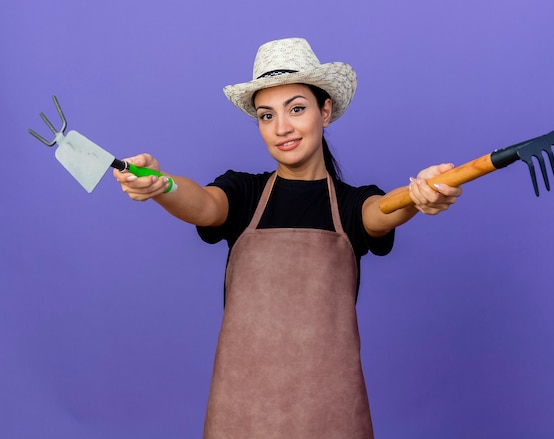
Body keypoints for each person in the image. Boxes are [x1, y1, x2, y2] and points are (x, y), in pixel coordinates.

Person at [114, 37, 462, 439]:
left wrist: (420, 196)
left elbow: (385, 211)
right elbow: (203, 205)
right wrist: (162, 184)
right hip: (240, 414)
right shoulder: (242, 194)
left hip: (333, 415)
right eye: (266, 116)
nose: (281, 128)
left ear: (324, 111)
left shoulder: (353, 205)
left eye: (296, 109)